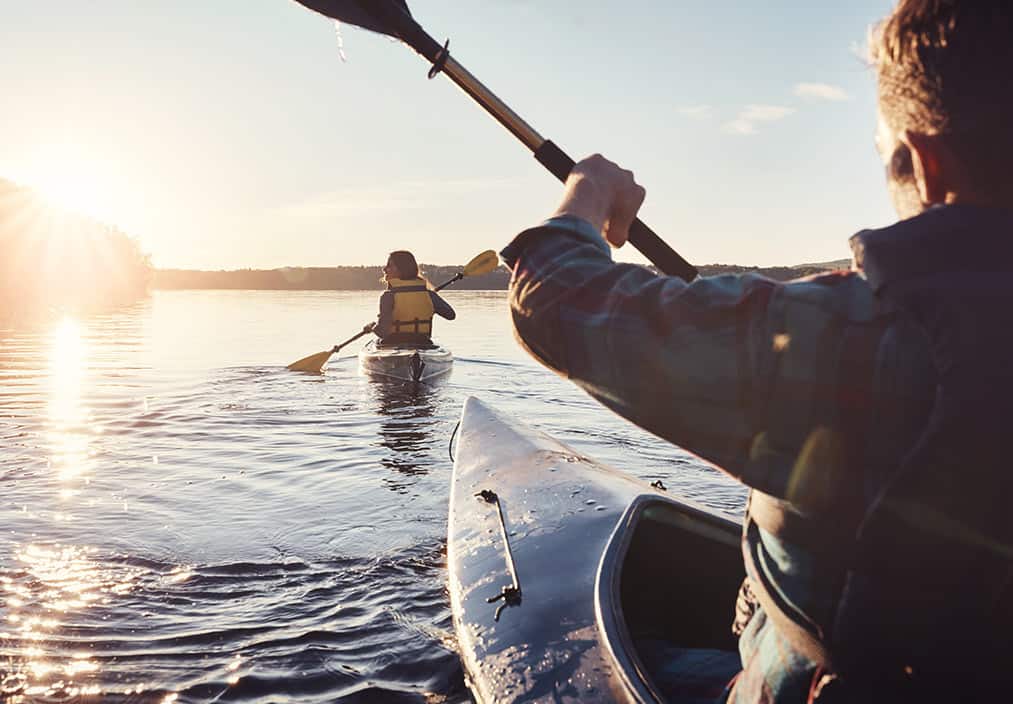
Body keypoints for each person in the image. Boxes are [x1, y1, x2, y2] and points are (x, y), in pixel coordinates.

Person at [500, 1, 1013, 701]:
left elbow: (552, 301)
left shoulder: (845, 333)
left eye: (883, 155)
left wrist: (586, 197)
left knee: (614, 652)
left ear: (924, 164)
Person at [374, 250, 455, 346]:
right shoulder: (429, 295)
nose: (384, 269)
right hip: (423, 343)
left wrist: (373, 328)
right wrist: (430, 302)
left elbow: (382, 332)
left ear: (402, 269)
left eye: (390, 265)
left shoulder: (388, 296)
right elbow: (450, 315)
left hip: (393, 343)